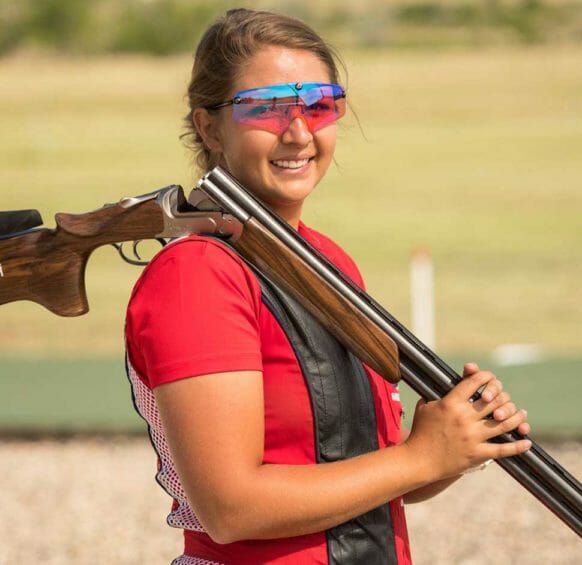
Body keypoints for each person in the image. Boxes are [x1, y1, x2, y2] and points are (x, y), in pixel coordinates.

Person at [125, 8, 532, 564]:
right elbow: (230, 508)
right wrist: (418, 459)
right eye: (264, 108)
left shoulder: (326, 259)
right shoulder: (196, 275)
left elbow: (370, 476)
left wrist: (453, 445)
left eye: (319, 105)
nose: (298, 132)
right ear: (208, 127)